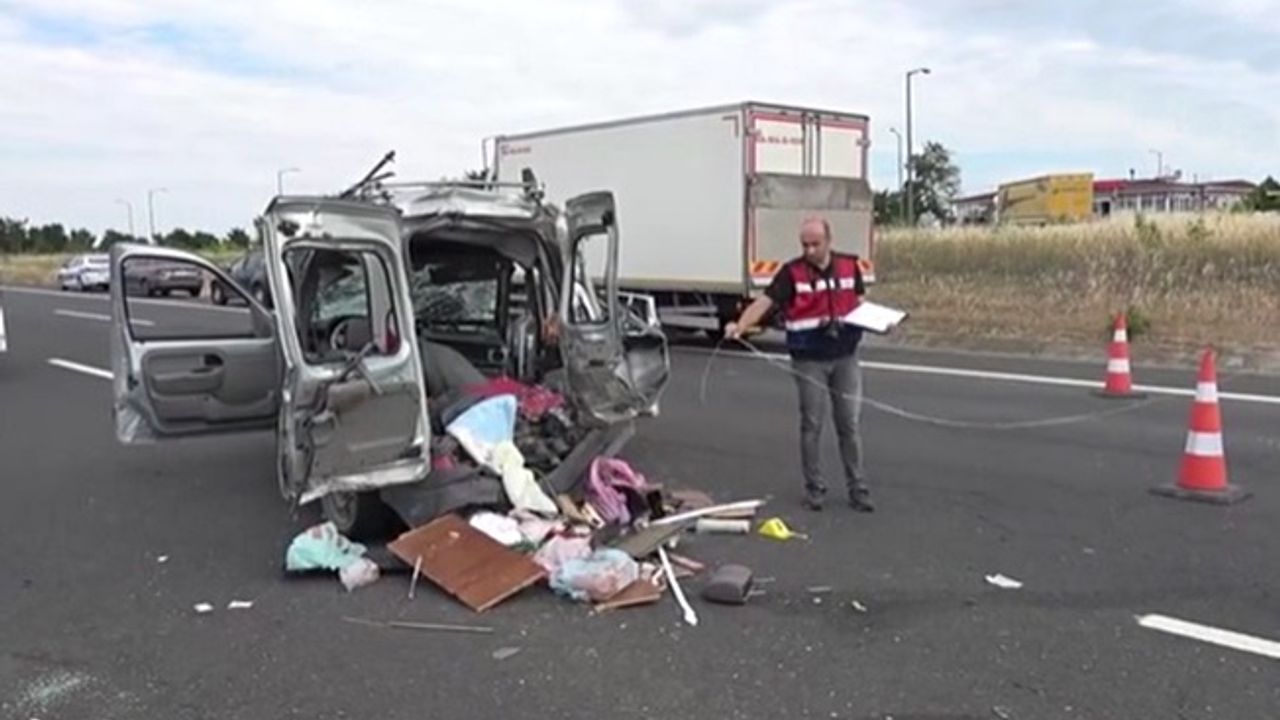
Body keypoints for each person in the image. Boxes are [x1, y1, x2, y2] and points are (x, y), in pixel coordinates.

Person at [725, 217, 872, 512]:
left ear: (829, 241)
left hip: (845, 357)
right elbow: (764, 303)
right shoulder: (791, 273)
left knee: (849, 425)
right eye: (804, 244)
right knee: (811, 425)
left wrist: (880, 322)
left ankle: (858, 488)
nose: (809, 250)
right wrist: (740, 325)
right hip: (809, 361)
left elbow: (859, 303)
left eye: (815, 244)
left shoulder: (848, 266)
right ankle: (815, 488)